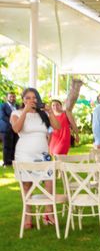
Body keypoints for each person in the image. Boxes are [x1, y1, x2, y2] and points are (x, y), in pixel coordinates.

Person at [10, 88, 60, 227]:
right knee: (27, 184)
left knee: (49, 180)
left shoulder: (42, 114)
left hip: (43, 153)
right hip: (25, 154)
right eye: (28, 98)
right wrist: (25, 111)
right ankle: (28, 216)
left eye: (34, 97)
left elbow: (57, 127)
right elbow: (16, 129)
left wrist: (50, 112)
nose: (31, 100)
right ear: (23, 100)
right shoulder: (16, 113)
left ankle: (48, 213)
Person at [1, 91, 19, 166]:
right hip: (7, 129)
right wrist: (14, 123)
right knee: (7, 146)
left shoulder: (17, 106)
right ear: (7, 98)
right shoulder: (2, 105)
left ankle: (12, 161)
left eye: (13, 97)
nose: (12, 98)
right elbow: (3, 116)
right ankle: (6, 162)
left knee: (15, 145)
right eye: (10, 96)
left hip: (17, 129)